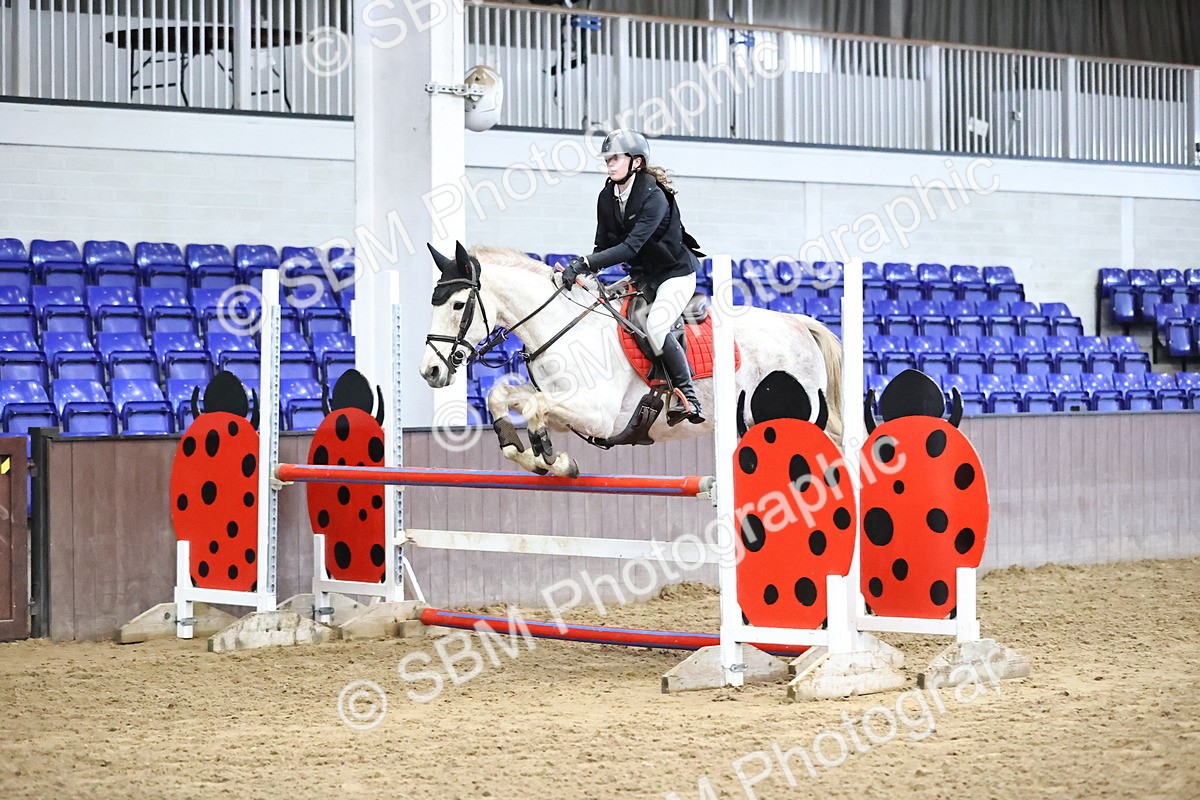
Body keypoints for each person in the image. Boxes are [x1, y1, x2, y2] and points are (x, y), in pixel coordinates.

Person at [556, 129, 705, 425]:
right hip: (643, 276)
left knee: (657, 325)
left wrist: (584, 262)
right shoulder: (606, 196)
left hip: (674, 274)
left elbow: (629, 247)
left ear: (636, 162)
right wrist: (586, 275)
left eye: (615, 158)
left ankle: (688, 394)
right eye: (607, 159)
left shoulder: (654, 197)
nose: (609, 163)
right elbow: (604, 245)